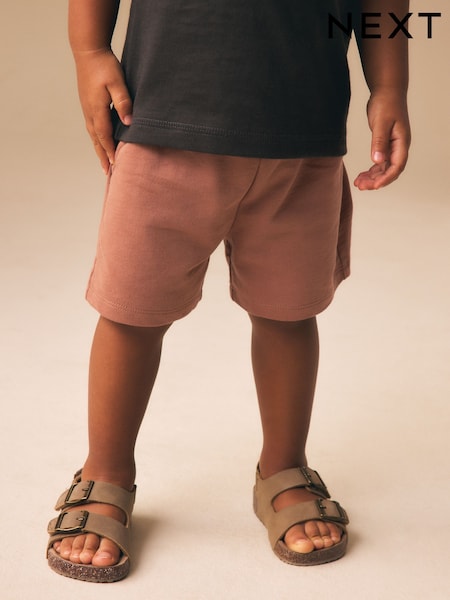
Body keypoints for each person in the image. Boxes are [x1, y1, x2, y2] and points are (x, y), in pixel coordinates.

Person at [46, 0, 410, 582]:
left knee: (289, 313)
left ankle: (284, 468)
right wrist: (89, 50)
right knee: (131, 313)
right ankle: (105, 471)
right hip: (162, 121)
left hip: (303, 138)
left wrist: (390, 85)